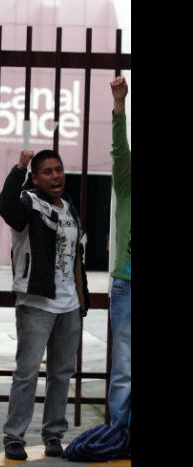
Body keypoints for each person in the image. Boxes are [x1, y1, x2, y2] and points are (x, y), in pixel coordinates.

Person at [0, 148, 90, 461]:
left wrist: (82, 297)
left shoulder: (69, 208)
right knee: (26, 373)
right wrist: (19, 168)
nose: (55, 176)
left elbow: (75, 257)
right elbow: (6, 207)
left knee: (61, 373)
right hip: (36, 303)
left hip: (68, 304)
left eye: (59, 170)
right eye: (47, 172)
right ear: (35, 178)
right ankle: (14, 437)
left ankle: (54, 436)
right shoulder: (28, 203)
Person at [107, 76, 131, 432]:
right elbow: (120, 150)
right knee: (124, 366)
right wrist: (119, 106)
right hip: (126, 282)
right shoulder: (127, 183)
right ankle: (120, 431)